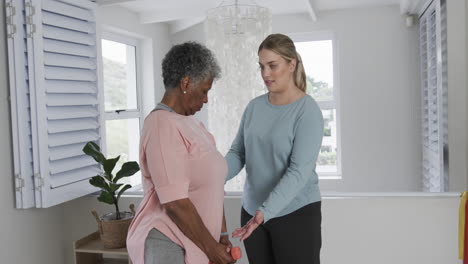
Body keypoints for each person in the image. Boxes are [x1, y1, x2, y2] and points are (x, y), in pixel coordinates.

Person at [127, 42, 236, 264]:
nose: (206, 99)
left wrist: (222, 234)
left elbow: (214, 187)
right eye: (204, 91)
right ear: (186, 82)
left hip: (200, 242)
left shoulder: (193, 125)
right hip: (168, 243)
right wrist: (212, 249)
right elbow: (174, 203)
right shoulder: (160, 125)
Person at [226, 33, 324, 264]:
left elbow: (299, 171)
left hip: (296, 213)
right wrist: (212, 174)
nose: (265, 74)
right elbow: (238, 153)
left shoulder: (307, 111)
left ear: (291, 64)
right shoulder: (254, 107)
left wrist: (264, 212)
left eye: (272, 65)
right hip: (252, 212)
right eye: (261, 66)